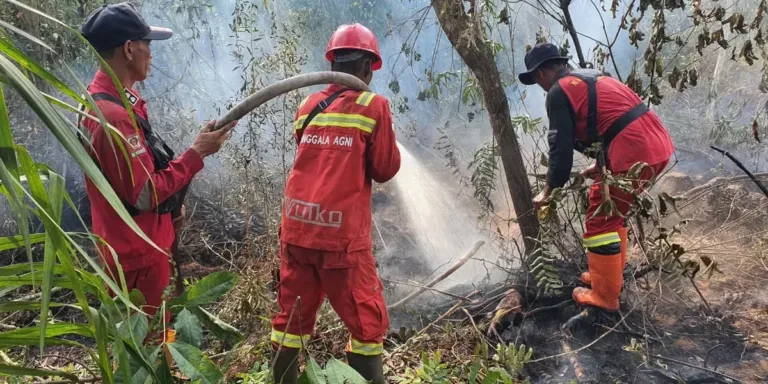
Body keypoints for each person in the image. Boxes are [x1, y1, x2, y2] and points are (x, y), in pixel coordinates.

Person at [78, 2, 237, 326]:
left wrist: (170, 212)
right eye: (148, 44)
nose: (152, 53)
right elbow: (144, 194)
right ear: (129, 49)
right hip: (137, 257)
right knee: (147, 351)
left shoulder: (114, 99)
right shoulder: (113, 118)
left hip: (136, 247)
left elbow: (138, 175)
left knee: (155, 342)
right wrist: (196, 154)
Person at [270, 23, 400, 384]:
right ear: (367, 66)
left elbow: (311, 156)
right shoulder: (374, 105)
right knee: (367, 324)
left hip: (296, 230)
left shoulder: (307, 105)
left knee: (290, 320)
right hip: (340, 239)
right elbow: (385, 169)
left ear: (332, 62)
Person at [519, 43, 675, 311]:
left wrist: (548, 191)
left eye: (535, 78)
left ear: (543, 72)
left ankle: (605, 296)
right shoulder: (592, 76)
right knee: (608, 207)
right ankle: (608, 276)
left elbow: (561, 151)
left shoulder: (558, 92)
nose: (538, 85)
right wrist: (600, 163)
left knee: (600, 221)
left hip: (635, 150)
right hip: (655, 143)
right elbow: (612, 120)